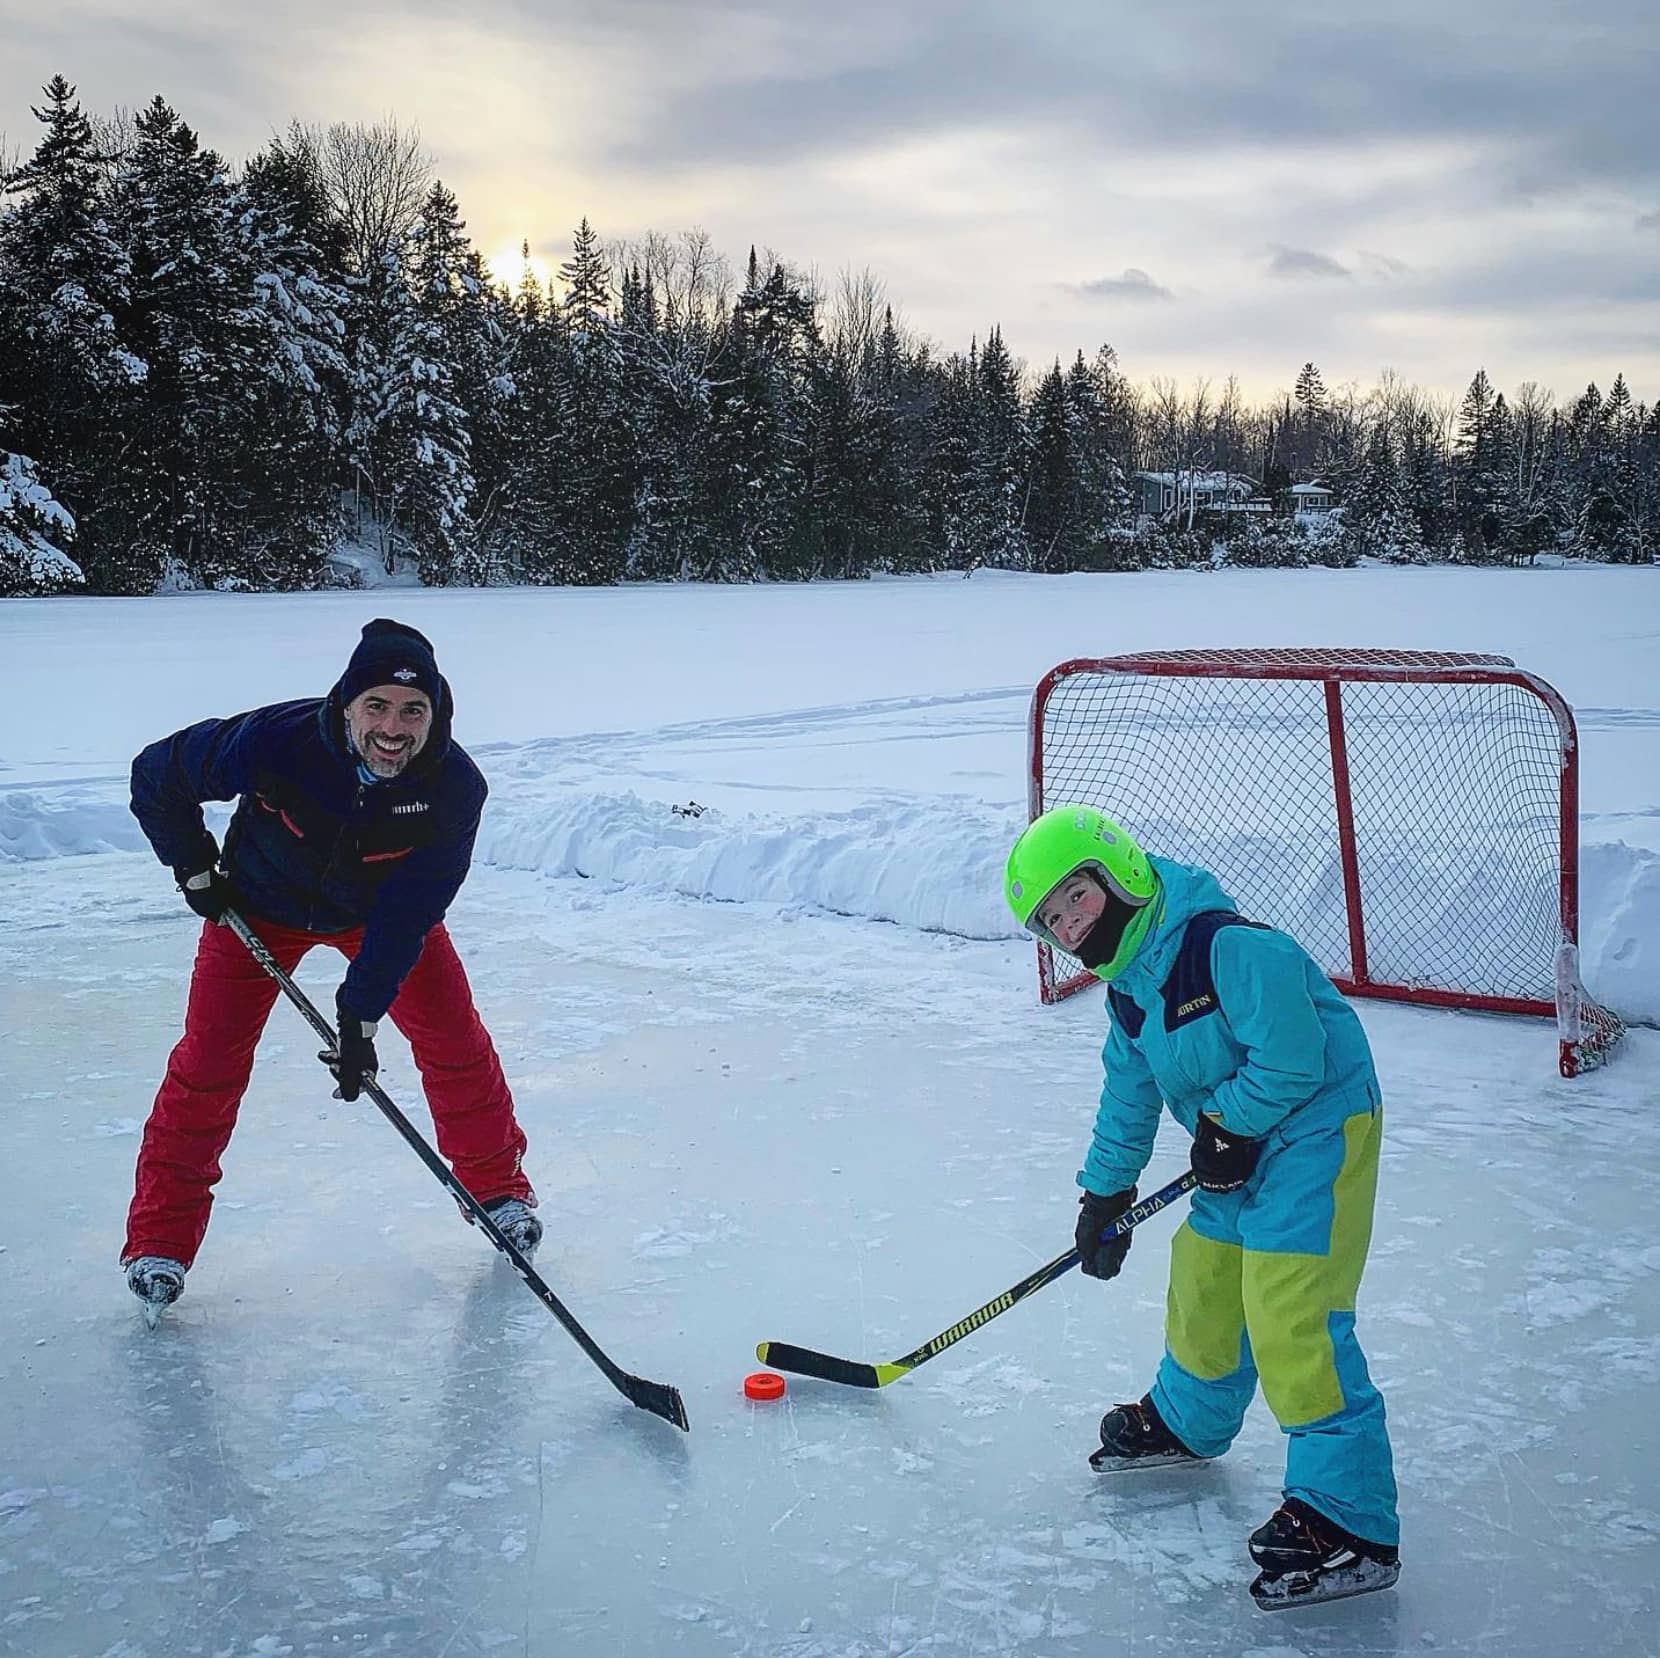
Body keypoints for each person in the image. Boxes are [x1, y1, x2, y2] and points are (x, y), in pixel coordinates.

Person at [1004, 805, 1399, 1609]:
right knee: (1207, 1273)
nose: (1072, 924)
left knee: (1292, 1305)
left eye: (1076, 897)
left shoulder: (1227, 947)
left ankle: (1348, 1516)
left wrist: (1231, 1126)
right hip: (1239, 1137)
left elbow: (1295, 1058)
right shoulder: (1130, 996)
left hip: (1318, 1126)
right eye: (1053, 921)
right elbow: (1129, 1093)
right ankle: (1190, 1419)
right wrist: (1104, 1191)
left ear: (1119, 876)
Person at [123, 618, 539, 1321]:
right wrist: (194, 867)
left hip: (376, 917)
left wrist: (361, 1012)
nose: (393, 727)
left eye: (414, 710)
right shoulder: (277, 740)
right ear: (346, 704)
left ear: (435, 715)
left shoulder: (453, 788)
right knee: (209, 1063)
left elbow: (413, 908)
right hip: (254, 910)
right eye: (376, 705)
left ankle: (498, 1191)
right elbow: (156, 774)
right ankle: (159, 1240)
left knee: (453, 1041)